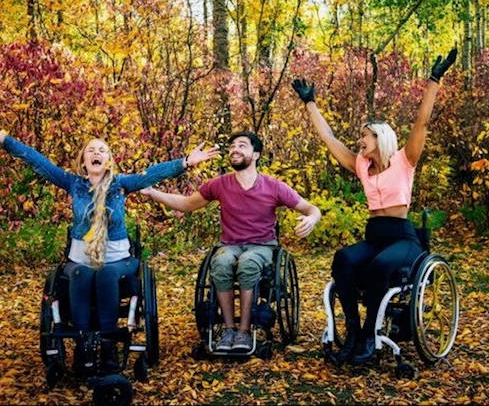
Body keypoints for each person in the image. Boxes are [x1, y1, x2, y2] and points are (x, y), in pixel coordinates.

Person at [0, 130, 219, 372]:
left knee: (105, 273)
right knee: (80, 273)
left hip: (118, 259)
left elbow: (153, 172)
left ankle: (107, 347)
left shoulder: (120, 184)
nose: (96, 153)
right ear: (83, 160)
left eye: (102, 150)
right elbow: (38, 161)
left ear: (109, 160)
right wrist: (4, 140)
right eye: (91, 150)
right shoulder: (73, 184)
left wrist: (185, 162)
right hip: (80, 259)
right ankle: (84, 345)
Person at [291, 49, 457, 366]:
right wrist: (309, 103)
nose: (359, 140)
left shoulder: (404, 160)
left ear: (379, 137)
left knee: (380, 266)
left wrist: (434, 79)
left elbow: (422, 122)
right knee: (343, 258)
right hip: (374, 235)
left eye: (364, 135)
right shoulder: (362, 167)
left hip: (403, 239)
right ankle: (353, 332)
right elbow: (329, 138)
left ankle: (370, 334)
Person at [141, 130, 321, 351]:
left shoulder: (273, 186)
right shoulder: (219, 184)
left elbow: (311, 208)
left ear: (256, 154)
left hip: (262, 246)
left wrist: (312, 218)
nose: (234, 149)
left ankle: (244, 332)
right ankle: (228, 330)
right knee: (221, 262)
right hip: (230, 245)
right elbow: (187, 204)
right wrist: (152, 192)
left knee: (248, 262)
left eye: (242, 145)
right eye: (232, 145)